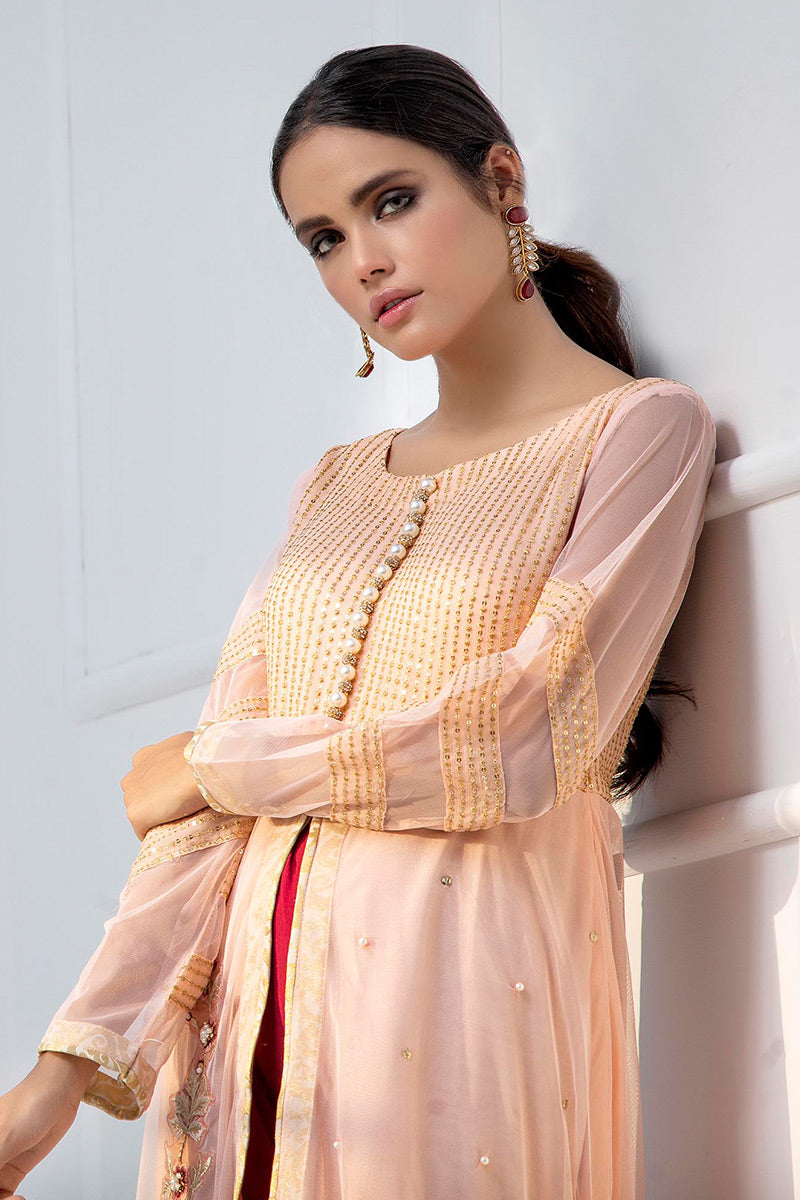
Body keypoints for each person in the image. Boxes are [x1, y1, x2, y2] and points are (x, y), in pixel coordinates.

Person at [0, 43, 716, 1200]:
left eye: (390, 201)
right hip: (243, 1026)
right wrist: (58, 1074)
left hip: (455, 1000)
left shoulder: (636, 432)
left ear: (499, 180)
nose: (362, 261)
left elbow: (524, 736)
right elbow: (195, 825)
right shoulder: (332, 486)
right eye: (324, 240)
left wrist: (220, 763)